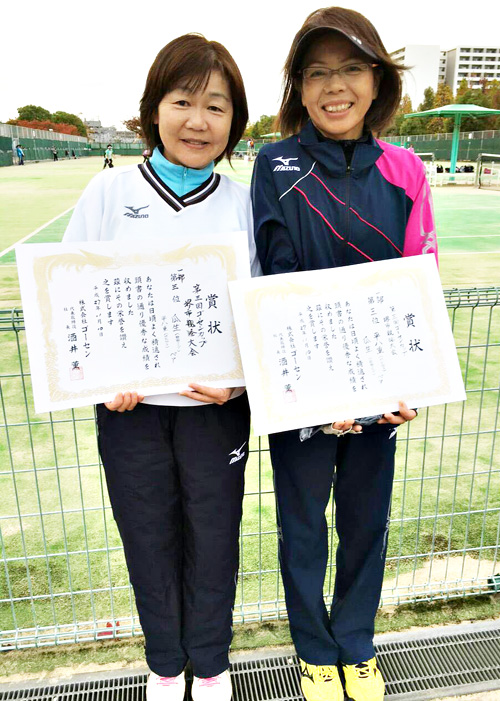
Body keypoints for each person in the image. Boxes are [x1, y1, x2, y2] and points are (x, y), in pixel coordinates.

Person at [63, 33, 260, 701]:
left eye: (217, 106)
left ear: (234, 121)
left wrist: (238, 380)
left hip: (216, 411)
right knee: (147, 538)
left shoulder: (242, 202)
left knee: (215, 540)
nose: (198, 121)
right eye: (183, 101)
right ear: (154, 109)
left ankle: (210, 665)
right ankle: (166, 666)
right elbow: (71, 298)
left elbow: (259, 306)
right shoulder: (108, 192)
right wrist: (101, 378)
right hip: (132, 414)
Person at [251, 7, 437, 701]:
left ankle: (356, 644)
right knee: (301, 526)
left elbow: (422, 275)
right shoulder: (275, 164)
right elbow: (270, 276)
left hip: (380, 390)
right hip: (303, 393)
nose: (335, 86)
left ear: (377, 80)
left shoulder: (406, 169)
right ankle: (314, 652)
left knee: (366, 524)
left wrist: (411, 381)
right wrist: (313, 392)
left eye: (352, 68)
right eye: (317, 72)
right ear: (298, 88)